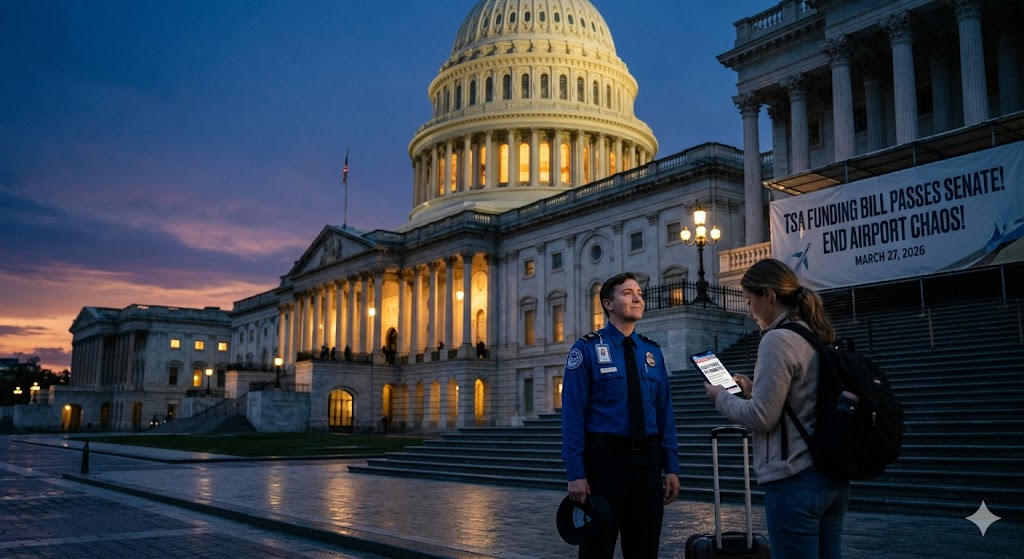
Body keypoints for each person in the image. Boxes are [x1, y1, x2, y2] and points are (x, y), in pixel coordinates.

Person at [705, 258, 849, 559]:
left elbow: (761, 417)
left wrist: (721, 397)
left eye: (749, 301)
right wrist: (752, 388)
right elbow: (802, 397)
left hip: (794, 478)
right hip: (831, 477)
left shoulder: (776, 339)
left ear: (768, 296)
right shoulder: (813, 333)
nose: (749, 310)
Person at [561, 272, 680, 559]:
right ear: (608, 304)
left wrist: (671, 466)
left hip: (647, 466)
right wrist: (576, 473)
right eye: (627, 293)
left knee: (644, 549)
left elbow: (665, 412)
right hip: (605, 464)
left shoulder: (652, 353)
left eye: (639, 292)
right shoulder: (587, 349)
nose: (637, 297)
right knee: (596, 549)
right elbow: (573, 415)